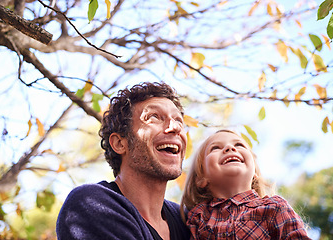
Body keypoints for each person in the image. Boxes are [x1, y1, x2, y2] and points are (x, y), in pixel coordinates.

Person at [56, 82, 191, 240]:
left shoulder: (187, 221)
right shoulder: (90, 203)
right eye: (154, 117)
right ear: (120, 143)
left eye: (179, 120)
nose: (174, 127)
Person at [180, 129, 311, 239]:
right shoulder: (197, 217)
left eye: (239, 145)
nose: (230, 148)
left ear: (255, 172)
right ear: (201, 178)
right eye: (215, 148)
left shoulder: (274, 208)